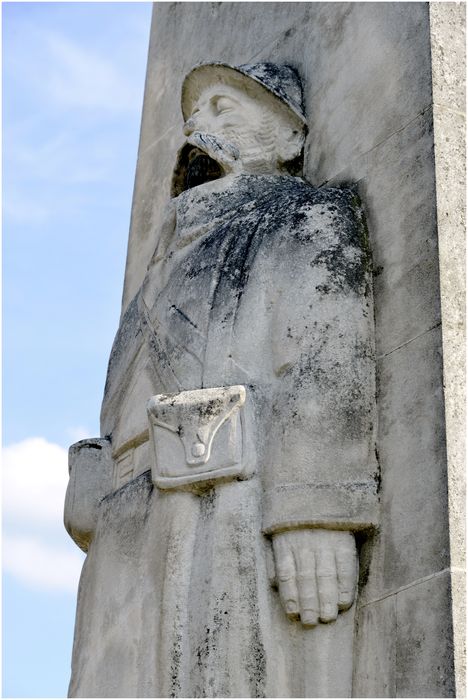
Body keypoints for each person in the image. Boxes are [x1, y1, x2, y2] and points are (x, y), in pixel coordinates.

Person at [65, 63, 378, 698]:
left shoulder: (305, 216)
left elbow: (327, 363)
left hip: (221, 504)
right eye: (194, 113)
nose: (195, 127)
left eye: (222, 108)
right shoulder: (164, 257)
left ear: (289, 140)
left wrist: (310, 511)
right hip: (127, 519)